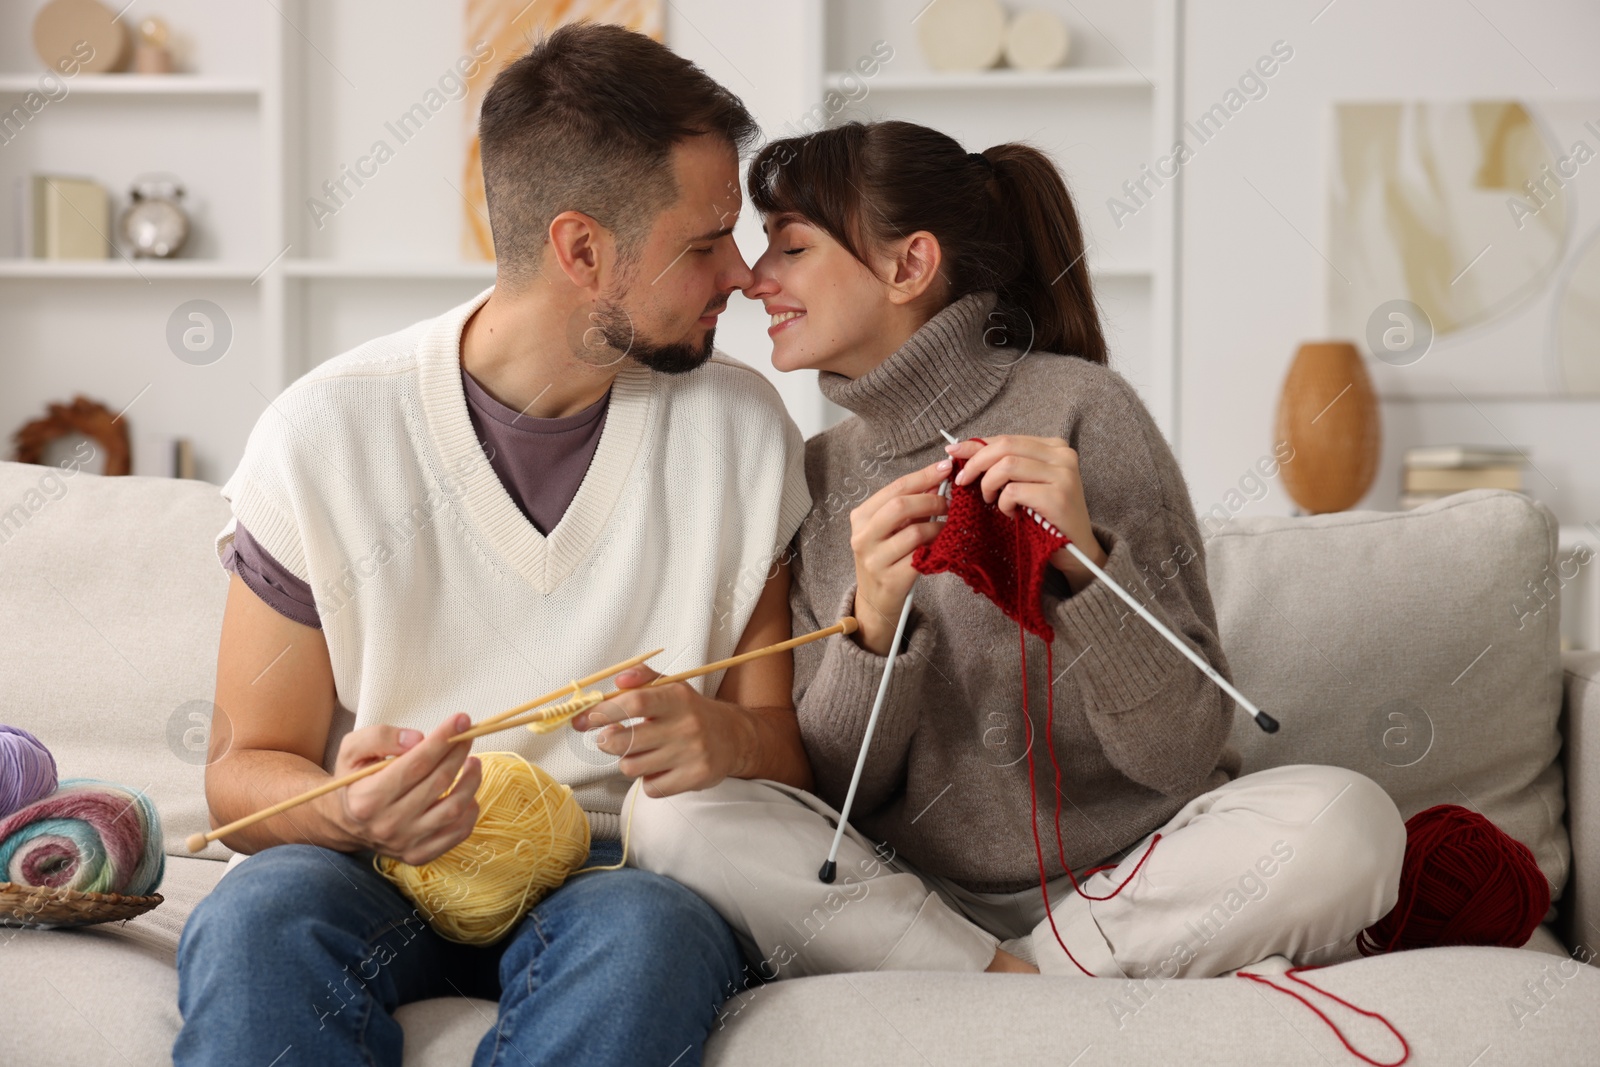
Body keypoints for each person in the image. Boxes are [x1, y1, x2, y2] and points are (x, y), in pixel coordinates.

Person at [623, 120, 1406, 986]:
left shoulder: (1086, 412)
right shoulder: (818, 471)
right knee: (669, 818)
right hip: (917, 889)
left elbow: (1182, 750)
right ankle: (1020, 977)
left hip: (1132, 876)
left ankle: (1005, 980)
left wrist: (1088, 569)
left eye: (792, 247)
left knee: (1349, 820)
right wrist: (874, 632)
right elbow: (835, 791)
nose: (754, 279)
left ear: (908, 266)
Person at [173, 24, 811, 1067]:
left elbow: (779, 741)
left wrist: (723, 741)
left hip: (619, 875)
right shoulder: (322, 432)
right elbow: (242, 773)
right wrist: (346, 809)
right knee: (258, 917)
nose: (741, 274)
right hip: (382, 868)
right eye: (705, 243)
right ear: (581, 249)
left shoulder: (743, 433)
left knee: (650, 934)